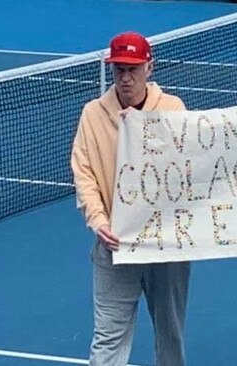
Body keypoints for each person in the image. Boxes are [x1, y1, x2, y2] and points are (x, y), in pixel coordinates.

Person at [71, 31, 191, 366]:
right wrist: (99, 221)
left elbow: (185, 167)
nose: (125, 77)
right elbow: (84, 175)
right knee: (108, 338)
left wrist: (143, 129)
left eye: (133, 69)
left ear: (149, 68)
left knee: (170, 333)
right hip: (114, 247)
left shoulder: (173, 108)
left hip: (165, 248)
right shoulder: (92, 115)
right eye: (119, 69)